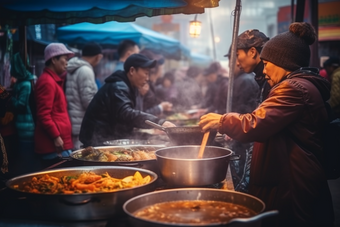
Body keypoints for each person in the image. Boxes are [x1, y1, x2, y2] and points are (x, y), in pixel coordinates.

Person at [199, 22, 334, 227]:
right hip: (290, 176)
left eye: (267, 62)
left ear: (281, 61)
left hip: (294, 182)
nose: (265, 70)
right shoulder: (297, 85)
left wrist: (222, 120)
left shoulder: (293, 88)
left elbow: (256, 123)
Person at [79, 54, 175, 147]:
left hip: (110, 138)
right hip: (97, 142)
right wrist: (158, 123)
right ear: (132, 70)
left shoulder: (130, 86)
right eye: (146, 73)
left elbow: (133, 116)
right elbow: (126, 113)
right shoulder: (119, 86)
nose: (147, 78)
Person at [34, 43, 75, 168]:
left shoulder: (53, 80)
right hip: (53, 146)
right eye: (65, 59)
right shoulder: (47, 81)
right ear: (53, 59)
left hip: (60, 144)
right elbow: (43, 114)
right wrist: (56, 137)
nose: (67, 63)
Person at [65, 42, 103, 149]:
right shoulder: (86, 70)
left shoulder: (74, 68)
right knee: (80, 155)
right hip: (81, 122)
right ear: (98, 57)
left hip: (73, 120)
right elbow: (88, 101)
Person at [10, 52, 40, 175]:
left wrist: (8, 97)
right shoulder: (23, 82)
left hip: (26, 129)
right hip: (23, 127)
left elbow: (21, 106)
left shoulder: (25, 84)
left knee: (26, 160)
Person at [230, 29, 270, 104]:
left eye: (237, 55)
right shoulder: (261, 78)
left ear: (252, 52)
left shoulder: (270, 79)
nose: (237, 63)